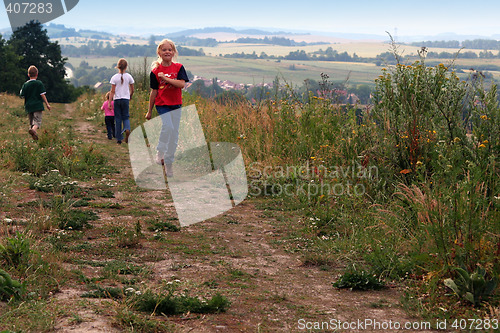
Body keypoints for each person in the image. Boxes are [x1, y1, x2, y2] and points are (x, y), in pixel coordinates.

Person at [146, 39, 189, 177]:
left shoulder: (179, 67)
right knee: (168, 127)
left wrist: (166, 78)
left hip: (176, 104)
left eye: (170, 50)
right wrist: (149, 110)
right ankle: (160, 151)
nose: (167, 52)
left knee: (174, 136)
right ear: (159, 52)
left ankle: (169, 164)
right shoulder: (155, 71)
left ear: (174, 52)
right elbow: (154, 91)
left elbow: (181, 84)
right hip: (162, 104)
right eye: (164, 50)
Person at [20, 65, 51, 140]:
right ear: (37, 74)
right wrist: (47, 104)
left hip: (29, 106)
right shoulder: (39, 83)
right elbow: (42, 95)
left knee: (31, 122)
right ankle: (33, 130)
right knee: (37, 121)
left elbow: (22, 94)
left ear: (28, 75)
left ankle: (34, 136)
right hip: (37, 106)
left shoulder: (25, 84)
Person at [109, 58, 134, 144]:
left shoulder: (114, 77)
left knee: (118, 119)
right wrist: (130, 96)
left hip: (117, 100)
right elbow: (132, 89)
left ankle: (119, 138)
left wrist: (109, 102)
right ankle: (127, 129)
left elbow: (112, 91)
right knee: (126, 117)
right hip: (125, 99)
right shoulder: (129, 76)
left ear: (118, 66)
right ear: (126, 66)